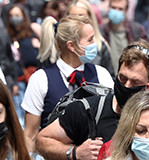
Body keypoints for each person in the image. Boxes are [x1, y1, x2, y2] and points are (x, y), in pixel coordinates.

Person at [36, 42, 149, 160]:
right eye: (122, 78)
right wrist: (75, 153)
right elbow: (42, 141)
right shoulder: (88, 109)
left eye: (135, 82)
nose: (126, 86)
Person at [22, 16, 113, 145]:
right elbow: (30, 134)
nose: (95, 44)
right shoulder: (41, 78)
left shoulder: (101, 74)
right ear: (71, 46)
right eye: (90, 40)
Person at [66, 0, 116, 76]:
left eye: (81, 16)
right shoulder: (60, 46)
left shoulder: (100, 46)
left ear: (90, 17)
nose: (78, 21)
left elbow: (110, 76)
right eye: (73, 17)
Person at [102, 0, 149, 67]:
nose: (116, 11)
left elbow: (145, 56)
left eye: (120, 9)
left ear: (126, 10)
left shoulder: (137, 30)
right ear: (109, 8)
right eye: (113, 8)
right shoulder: (101, 31)